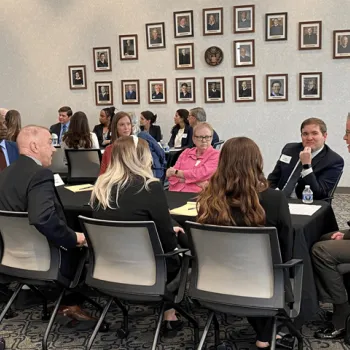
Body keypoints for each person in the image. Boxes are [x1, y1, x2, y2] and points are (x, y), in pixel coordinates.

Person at [197, 137, 293, 349]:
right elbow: (285, 249)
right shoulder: (274, 200)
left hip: (215, 281)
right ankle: (266, 337)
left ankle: (264, 336)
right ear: (257, 162)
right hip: (262, 285)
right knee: (278, 266)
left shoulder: (208, 200)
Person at [0, 125, 101, 322]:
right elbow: (42, 217)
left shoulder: (5, 174)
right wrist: (74, 238)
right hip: (43, 259)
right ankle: (70, 304)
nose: (54, 149)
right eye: (49, 143)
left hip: (11, 258)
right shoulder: (39, 174)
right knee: (83, 245)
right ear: (34, 146)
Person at [91, 135, 185, 336]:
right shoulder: (149, 186)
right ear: (141, 157)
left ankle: (168, 312)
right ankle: (170, 314)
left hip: (110, 266)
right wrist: (172, 231)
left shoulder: (101, 187)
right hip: (149, 269)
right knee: (179, 251)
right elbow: (168, 244)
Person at [311, 112, 350, 342]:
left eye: (348, 132)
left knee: (321, 250)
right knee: (324, 235)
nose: (345, 138)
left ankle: (342, 313)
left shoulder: (333, 159)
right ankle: (327, 298)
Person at [268, 117, 344, 200]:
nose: (309, 138)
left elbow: (319, 194)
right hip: (279, 199)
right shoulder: (289, 149)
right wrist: (274, 195)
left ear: (324, 136)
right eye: (305, 134)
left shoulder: (333, 161)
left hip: (305, 202)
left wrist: (306, 166)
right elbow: (273, 178)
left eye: (314, 133)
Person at [99, 112, 165, 179]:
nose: (126, 127)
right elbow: (102, 175)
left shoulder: (138, 146)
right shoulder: (109, 149)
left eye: (128, 124)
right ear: (115, 127)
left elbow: (145, 171)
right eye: (122, 125)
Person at [167, 123, 219, 193]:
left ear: (212, 138)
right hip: (175, 192)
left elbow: (200, 174)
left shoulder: (216, 155)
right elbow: (171, 176)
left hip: (198, 196)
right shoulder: (186, 152)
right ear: (193, 139)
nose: (204, 140)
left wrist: (177, 173)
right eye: (200, 137)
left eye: (207, 137)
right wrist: (196, 182)